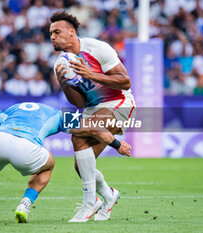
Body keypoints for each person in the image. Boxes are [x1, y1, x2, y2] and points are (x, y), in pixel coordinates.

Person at [0, 102, 132, 224]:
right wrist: (117, 145)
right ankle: (24, 204)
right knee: (49, 164)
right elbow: (96, 131)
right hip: (26, 148)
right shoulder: (58, 114)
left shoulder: (12, 109)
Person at [50, 11, 136, 222]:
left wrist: (90, 74)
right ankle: (108, 196)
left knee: (78, 134)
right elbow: (79, 103)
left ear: (72, 33)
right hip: (92, 108)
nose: (52, 36)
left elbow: (125, 81)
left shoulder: (97, 48)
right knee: (81, 166)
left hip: (118, 103)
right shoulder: (60, 64)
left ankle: (89, 203)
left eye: (57, 32)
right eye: (50, 33)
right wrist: (63, 84)